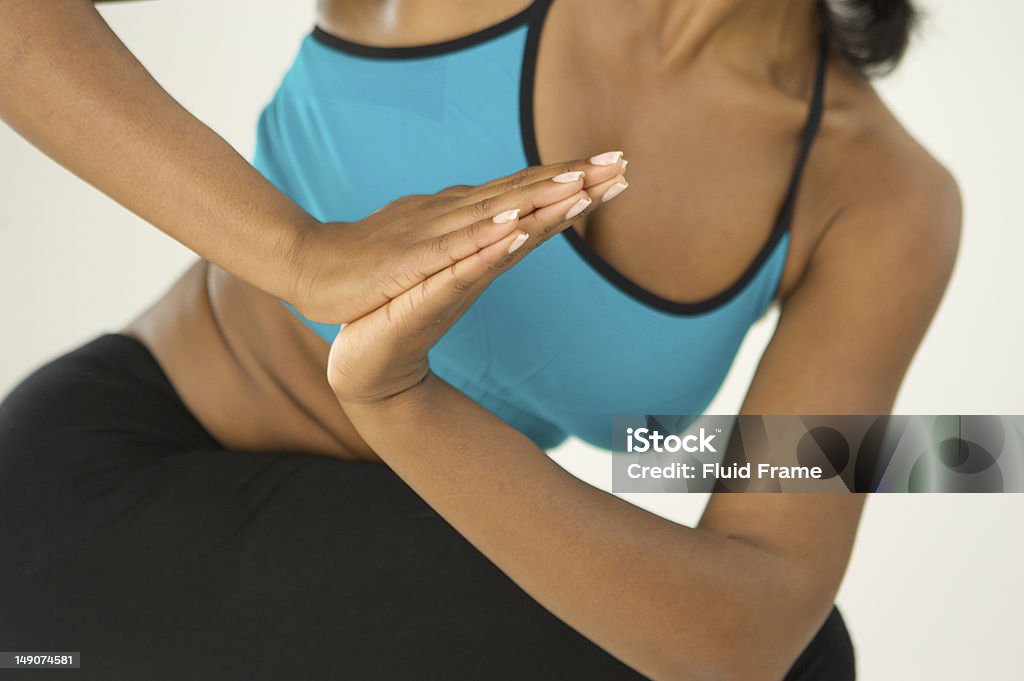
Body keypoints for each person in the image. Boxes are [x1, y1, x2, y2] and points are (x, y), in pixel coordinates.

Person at [0, 0, 960, 679]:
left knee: (787, 643)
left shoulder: (882, 199)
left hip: (372, 581)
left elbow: (746, 625)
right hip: (114, 491)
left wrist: (397, 399)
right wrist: (303, 256)